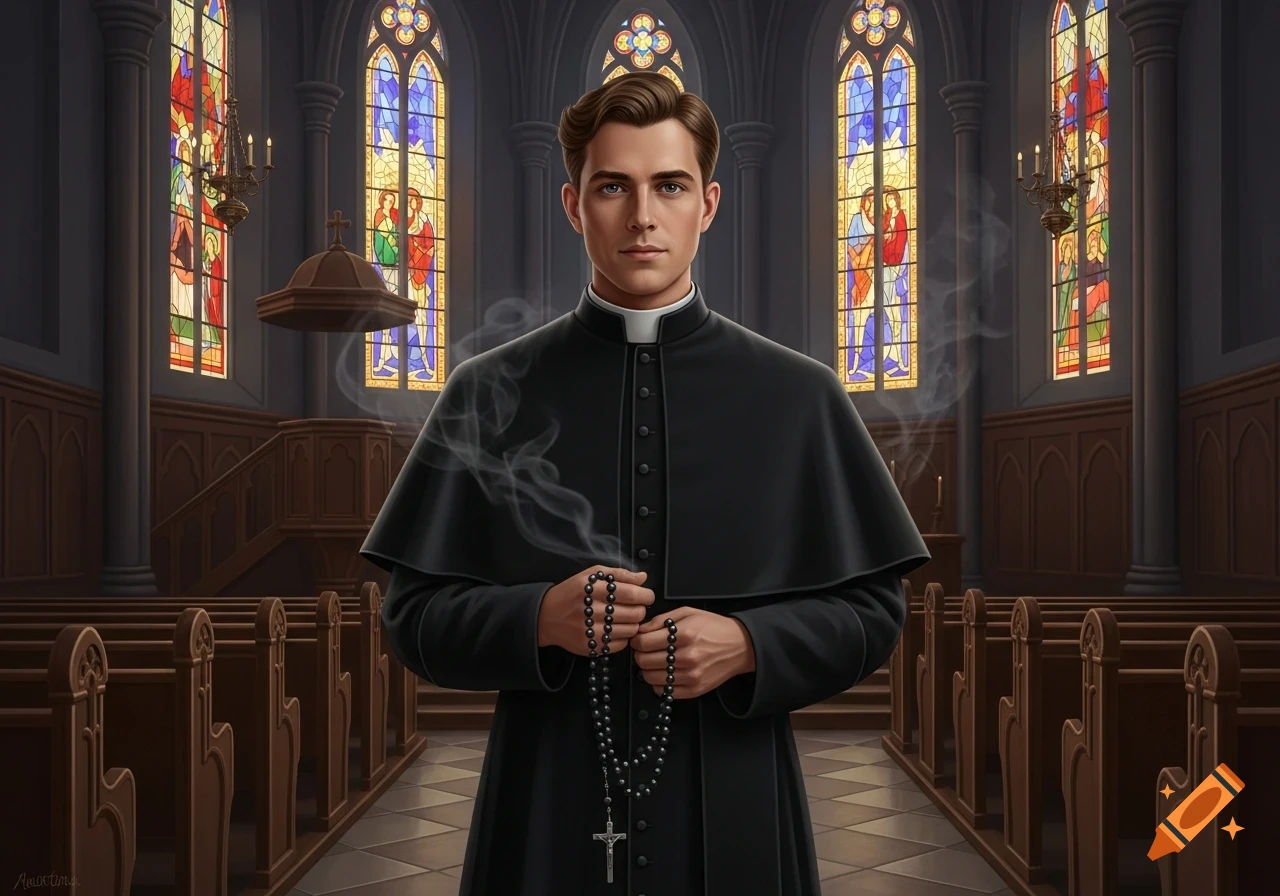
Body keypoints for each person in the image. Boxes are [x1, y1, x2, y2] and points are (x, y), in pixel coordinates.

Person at [362, 72, 929, 896]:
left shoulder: (798, 395)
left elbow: (874, 614)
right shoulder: (489, 392)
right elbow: (411, 619)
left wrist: (748, 646)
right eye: (612, 188)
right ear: (572, 204)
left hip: (737, 801)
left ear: (708, 204)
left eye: (669, 185)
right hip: (544, 805)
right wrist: (538, 619)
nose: (641, 217)